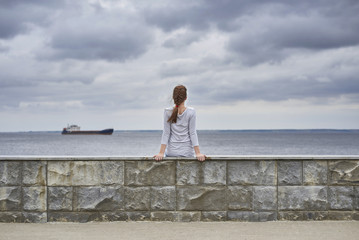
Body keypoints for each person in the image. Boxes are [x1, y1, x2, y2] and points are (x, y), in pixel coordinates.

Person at [154, 85, 206, 162]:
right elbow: (192, 133)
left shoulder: (167, 111)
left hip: (172, 152)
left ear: (173, 97)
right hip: (187, 152)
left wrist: (161, 153)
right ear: (186, 98)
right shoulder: (191, 112)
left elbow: (166, 133)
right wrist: (198, 153)